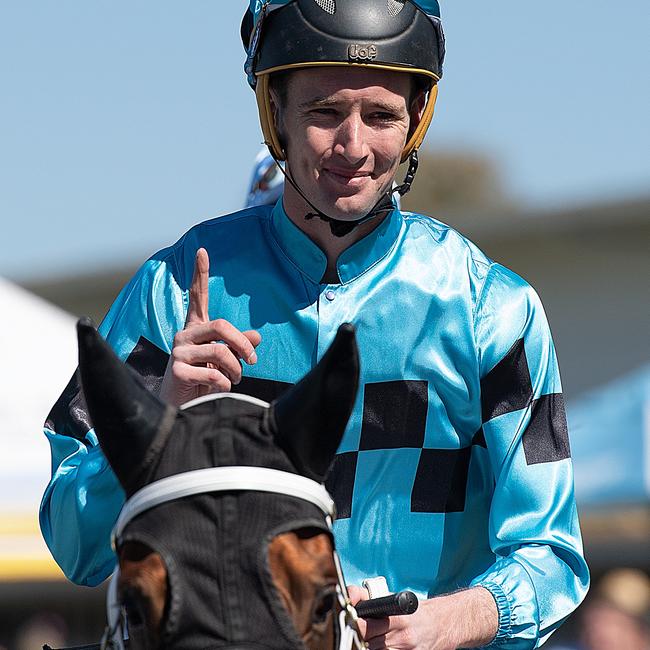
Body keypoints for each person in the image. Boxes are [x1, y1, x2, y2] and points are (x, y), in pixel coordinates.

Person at [39, 1, 589, 647]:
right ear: (276, 114)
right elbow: (75, 545)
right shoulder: (172, 290)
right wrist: (159, 420)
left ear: (416, 120)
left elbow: (552, 556)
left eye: (381, 115)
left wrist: (444, 623)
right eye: (324, 112)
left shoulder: (493, 312)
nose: (353, 146)